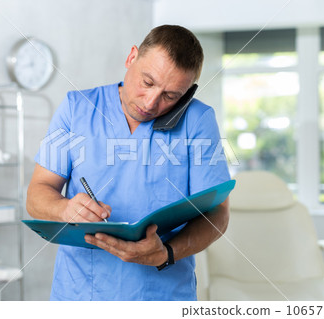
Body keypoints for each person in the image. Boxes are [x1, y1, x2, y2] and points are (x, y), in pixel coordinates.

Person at [26, 25, 230, 301]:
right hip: (80, 293)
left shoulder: (198, 121)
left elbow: (217, 214)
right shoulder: (77, 109)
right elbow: (37, 193)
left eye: (171, 96)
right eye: (148, 82)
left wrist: (166, 253)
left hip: (162, 295)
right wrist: (64, 209)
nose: (151, 102)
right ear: (131, 57)